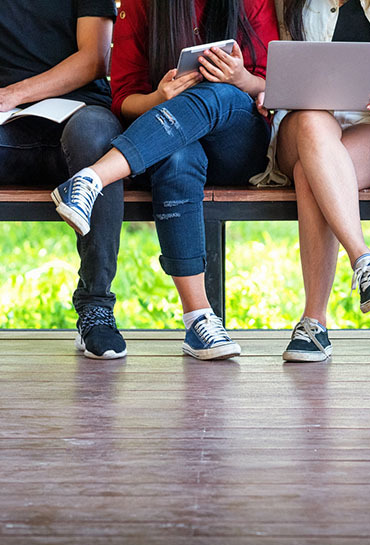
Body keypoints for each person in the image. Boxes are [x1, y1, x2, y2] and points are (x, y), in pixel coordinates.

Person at [51, 0, 279, 361]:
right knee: (176, 156)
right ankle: (199, 319)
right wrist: (160, 98)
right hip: (167, 140)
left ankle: (92, 178)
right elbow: (123, 99)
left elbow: (276, 83)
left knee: (217, 93)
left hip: (238, 143)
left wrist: (240, 79)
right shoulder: (141, 5)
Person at [0, 0, 126, 361]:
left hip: (80, 115)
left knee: (96, 137)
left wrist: (14, 93)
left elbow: (95, 58)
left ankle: (96, 306)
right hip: (7, 127)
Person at [251, 0, 370, 362]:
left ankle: (314, 322)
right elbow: (278, 70)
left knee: (310, 174)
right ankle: (363, 259)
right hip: (304, 122)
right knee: (313, 125)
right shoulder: (291, 3)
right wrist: (270, 89)